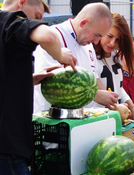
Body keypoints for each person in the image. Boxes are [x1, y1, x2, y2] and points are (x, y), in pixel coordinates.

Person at [0, 0, 77, 174]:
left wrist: (30, 79)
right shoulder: (10, 21)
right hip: (8, 146)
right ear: (22, 3)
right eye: (36, 17)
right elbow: (47, 36)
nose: (36, 21)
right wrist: (60, 54)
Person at [33, 2, 119, 115]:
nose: (96, 42)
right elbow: (53, 84)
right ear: (83, 23)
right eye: (97, 35)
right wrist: (96, 95)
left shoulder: (88, 44)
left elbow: (94, 77)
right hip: (51, 119)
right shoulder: (53, 37)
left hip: (81, 119)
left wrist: (112, 101)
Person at [93, 12, 134, 121]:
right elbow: (103, 94)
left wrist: (133, 108)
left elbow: (118, 87)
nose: (112, 43)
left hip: (114, 117)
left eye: (118, 40)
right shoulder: (90, 56)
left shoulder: (116, 57)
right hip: (97, 118)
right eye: (109, 36)